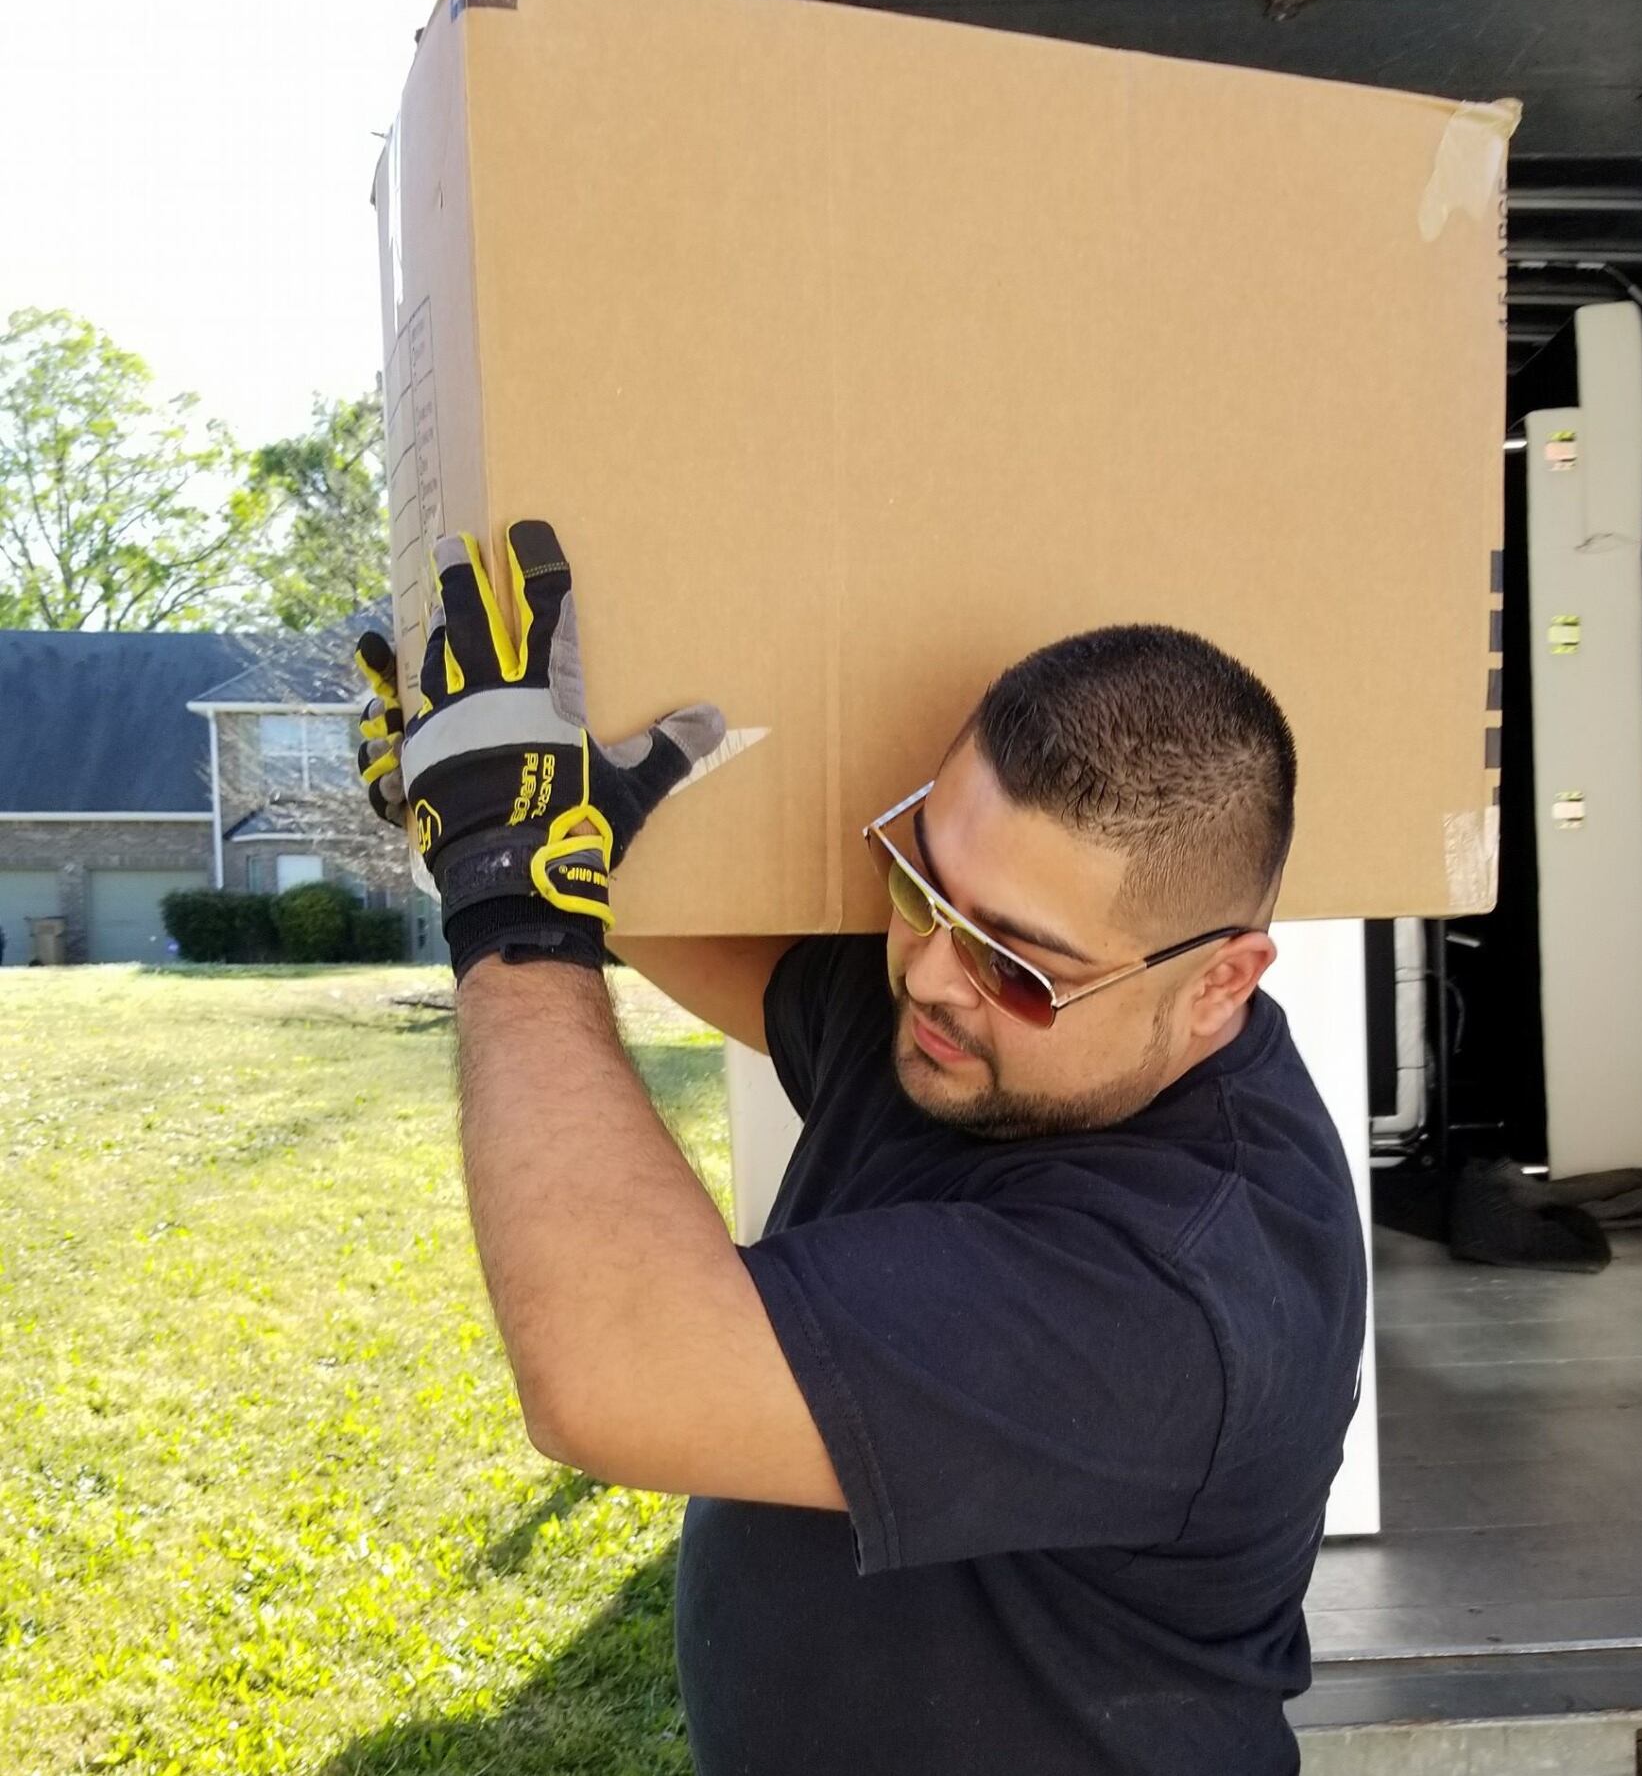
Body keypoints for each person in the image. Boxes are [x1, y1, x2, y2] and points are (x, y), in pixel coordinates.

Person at [355, 521, 1367, 1776]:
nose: (928, 974)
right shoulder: (990, 1037)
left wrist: (509, 907)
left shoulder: (1176, 1287)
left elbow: (613, 1371)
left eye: (1014, 958)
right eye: (916, 879)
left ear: (1221, 983)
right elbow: (731, 965)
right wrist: (521, 838)